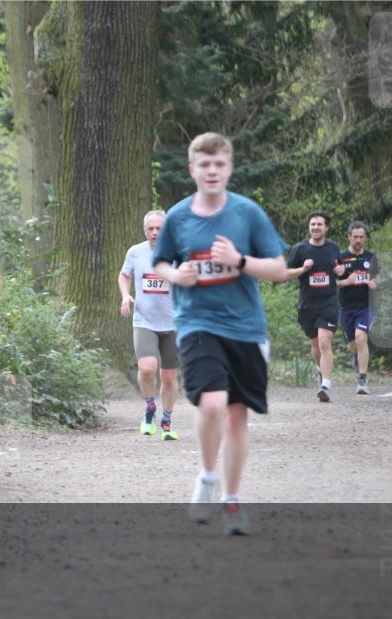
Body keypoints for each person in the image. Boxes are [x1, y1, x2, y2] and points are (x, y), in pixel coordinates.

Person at [152, 132, 287, 536]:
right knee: (211, 404)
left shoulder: (247, 214)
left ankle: (231, 499)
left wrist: (240, 260)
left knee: (235, 416)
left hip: (245, 327)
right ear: (193, 170)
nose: (212, 171)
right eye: (204, 165)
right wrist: (178, 275)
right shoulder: (177, 218)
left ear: (229, 169)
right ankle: (207, 477)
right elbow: (160, 264)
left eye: (219, 164)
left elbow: (279, 268)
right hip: (197, 323)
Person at [119, 210, 180, 440]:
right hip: (144, 320)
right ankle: (149, 408)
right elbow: (124, 275)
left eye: (159, 229)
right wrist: (126, 296)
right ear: (145, 230)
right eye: (150, 229)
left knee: (168, 377)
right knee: (147, 368)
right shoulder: (135, 252)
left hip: (173, 324)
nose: (155, 232)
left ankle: (166, 421)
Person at [285, 212, 345, 402]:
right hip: (307, 305)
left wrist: (342, 270)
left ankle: (325, 385)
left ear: (326, 228)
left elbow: (340, 269)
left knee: (325, 342)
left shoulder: (333, 248)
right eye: (313, 224)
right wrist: (302, 269)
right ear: (309, 227)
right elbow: (285, 273)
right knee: (315, 345)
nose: (316, 227)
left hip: (328, 302)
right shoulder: (300, 249)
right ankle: (321, 370)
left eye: (319, 224)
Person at [337, 222, 379, 394]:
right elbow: (334, 283)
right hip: (346, 307)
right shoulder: (340, 258)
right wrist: (347, 281)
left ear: (365, 238)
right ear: (349, 236)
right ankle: (356, 356)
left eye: (361, 237)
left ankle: (362, 380)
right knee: (353, 345)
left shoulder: (371, 257)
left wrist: (374, 283)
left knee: (361, 338)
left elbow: (378, 277)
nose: (358, 240)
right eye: (355, 237)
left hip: (366, 306)